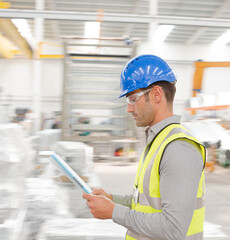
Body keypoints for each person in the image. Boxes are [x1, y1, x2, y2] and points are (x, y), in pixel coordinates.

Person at [83, 54, 206, 240]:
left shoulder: (178, 148)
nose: (129, 108)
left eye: (133, 98)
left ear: (156, 95)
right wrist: (111, 199)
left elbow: (173, 229)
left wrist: (114, 211)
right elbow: (146, 204)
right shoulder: (158, 141)